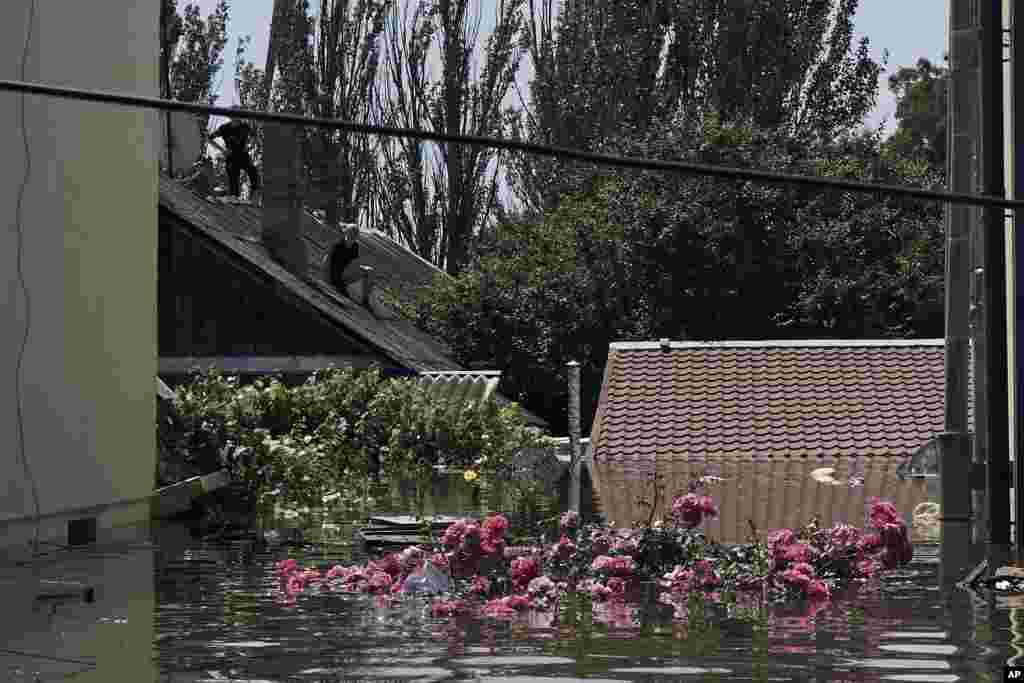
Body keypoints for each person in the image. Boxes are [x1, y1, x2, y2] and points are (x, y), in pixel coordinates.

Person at [209, 112, 260, 199]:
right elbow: (210, 138)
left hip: (243, 155)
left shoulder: (245, 126)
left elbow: (255, 137)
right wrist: (223, 150)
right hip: (231, 156)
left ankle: (254, 196)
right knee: (233, 179)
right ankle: (234, 198)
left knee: (253, 172)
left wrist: (249, 146)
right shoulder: (224, 128)